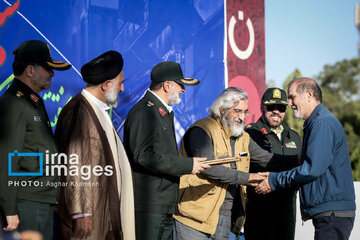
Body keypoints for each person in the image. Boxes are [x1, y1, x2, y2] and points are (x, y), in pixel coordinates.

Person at [173, 87, 300, 240]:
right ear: (222, 109)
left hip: (225, 217)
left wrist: (302, 158)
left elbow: (267, 158)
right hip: (193, 218)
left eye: (245, 112)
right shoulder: (202, 129)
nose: (242, 117)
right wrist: (248, 178)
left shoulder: (243, 137)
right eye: (237, 111)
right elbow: (209, 167)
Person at [256, 78, 356, 240]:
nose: (289, 104)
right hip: (330, 213)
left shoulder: (321, 123)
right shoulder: (317, 122)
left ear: (309, 94)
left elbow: (311, 169)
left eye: (292, 97)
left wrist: (274, 180)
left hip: (332, 214)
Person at [123, 61, 210, 240]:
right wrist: (187, 165)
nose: (183, 90)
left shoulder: (161, 111)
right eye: (181, 85)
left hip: (163, 204)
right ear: (167, 85)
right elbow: (143, 155)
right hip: (149, 206)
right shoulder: (144, 111)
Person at [55, 51, 135, 239]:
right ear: (106, 85)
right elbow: (74, 163)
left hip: (103, 214)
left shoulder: (96, 109)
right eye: (120, 83)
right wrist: (81, 212)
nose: (123, 89)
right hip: (90, 221)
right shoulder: (79, 109)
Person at [0, 40, 71, 239]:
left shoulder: (32, 102)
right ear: (30, 70)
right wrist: (9, 208)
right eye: (48, 68)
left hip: (37, 201)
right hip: (25, 204)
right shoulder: (14, 103)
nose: (52, 73)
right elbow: (6, 159)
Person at [244, 88, 302, 240]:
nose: (276, 111)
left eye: (281, 108)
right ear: (262, 107)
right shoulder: (248, 134)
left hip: (287, 210)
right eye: (271, 107)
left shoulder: (295, 137)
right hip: (259, 211)